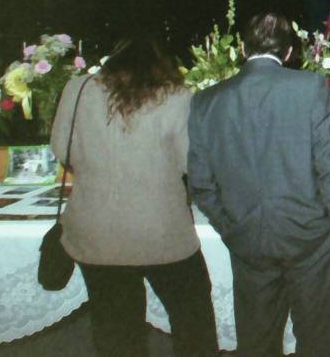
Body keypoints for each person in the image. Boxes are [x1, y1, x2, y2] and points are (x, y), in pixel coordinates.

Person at [188, 12, 330, 357]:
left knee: (257, 338)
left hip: (248, 237)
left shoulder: (206, 100)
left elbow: (201, 184)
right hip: (314, 237)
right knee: (321, 338)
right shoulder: (310, 88)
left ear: (241, 48)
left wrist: (233, 226)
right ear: (291, 52)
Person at [50, 38, 218, 357]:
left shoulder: (78, 89)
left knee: (115, 326)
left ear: (113, 57)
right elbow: (190, 161)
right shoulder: (178, 96)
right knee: (192, 317)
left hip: (95, 230)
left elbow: (62, 149)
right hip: (161, 231)